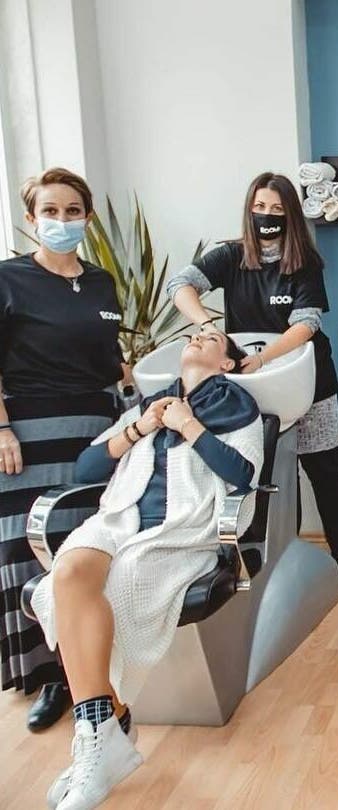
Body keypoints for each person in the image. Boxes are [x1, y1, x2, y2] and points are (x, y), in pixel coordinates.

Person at [31, 330, 263, 810]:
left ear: (227, 364)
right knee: (67, 575)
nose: (196, 338)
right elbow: (85, 468)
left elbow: (243, 475)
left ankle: (101, 735)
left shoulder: (238, 405)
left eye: (211, 338)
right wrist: (141, 427)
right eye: (194, 334)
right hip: (119, 521)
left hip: (179, 531)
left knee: (121, 582)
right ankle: (105, 729)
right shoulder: (149, 404)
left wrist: (188, 425)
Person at [166, 172, 338, 589]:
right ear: (249, 210)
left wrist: (262, 358)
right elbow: (180, 284)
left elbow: (306, 324)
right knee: (268, 471)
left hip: (305, 378)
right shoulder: (230, 256)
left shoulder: (304, 263)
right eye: (259, 207)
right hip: (251, 385)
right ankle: (275, 558)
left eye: (276, 208)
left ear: (289, 214)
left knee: (327, 469)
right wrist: (207, 325)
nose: (266, 215)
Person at [0, 168, 125, 732]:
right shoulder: (9, 280)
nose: (61, 220)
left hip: (95, 432)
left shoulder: (101, 283)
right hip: (27, 436)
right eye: (49, 211)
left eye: (72, 211)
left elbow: (109, 360)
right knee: (32, 552)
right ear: (31, 219)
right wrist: (2, 430)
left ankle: (90, 679)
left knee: (83, 549)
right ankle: (53, 680)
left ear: (87, 218)